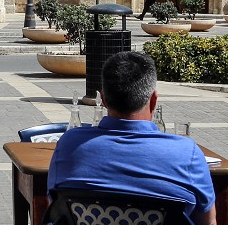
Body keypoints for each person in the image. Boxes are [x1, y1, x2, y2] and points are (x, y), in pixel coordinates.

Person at [48, 51, 215, 225]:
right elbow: (208, 221)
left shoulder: (69, 146)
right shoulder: (188, 154)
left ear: (103, 100)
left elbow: (56, 210)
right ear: (153, 101)